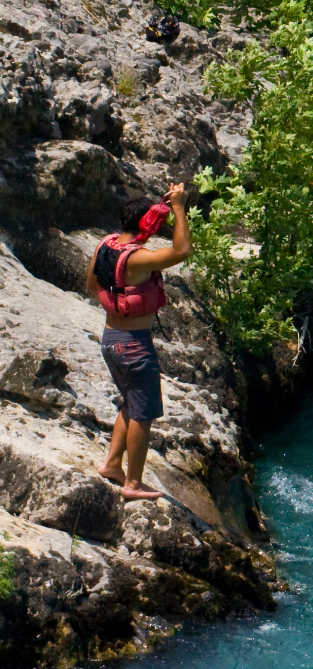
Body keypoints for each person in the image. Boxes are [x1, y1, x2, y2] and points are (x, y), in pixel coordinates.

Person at [95, 184, 192, 501]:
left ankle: (111, 465)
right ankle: (133, 484)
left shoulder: (105, 247)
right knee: (143, 413)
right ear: (142, 224)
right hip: (133, 345)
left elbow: (90, 284)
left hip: (110, 338)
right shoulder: (137, 259)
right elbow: (181, 251)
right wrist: (178, 208)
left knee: (130, 401)